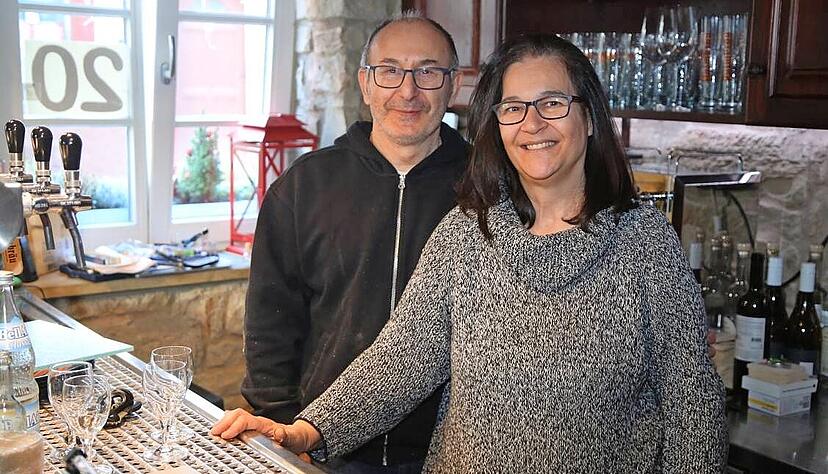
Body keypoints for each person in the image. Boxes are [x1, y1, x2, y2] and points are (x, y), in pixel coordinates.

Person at [214, 34, 728, 472]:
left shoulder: (645, 241)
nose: (532, 124)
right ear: (497, 124)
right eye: (513, 107)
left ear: (589, 118)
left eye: (552, 103)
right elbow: (404, 359)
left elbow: (692, 408)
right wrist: (305, 431)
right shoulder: (467, 233)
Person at [234, 11, 466, 473]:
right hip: (323, 447)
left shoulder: (490, 190)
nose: (408, 90)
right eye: (389, 70)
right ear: (365, 83)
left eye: (428, 71)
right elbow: (270, 326)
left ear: (453, 85)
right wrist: (281, 427)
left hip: (452, 451)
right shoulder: (303, 187)